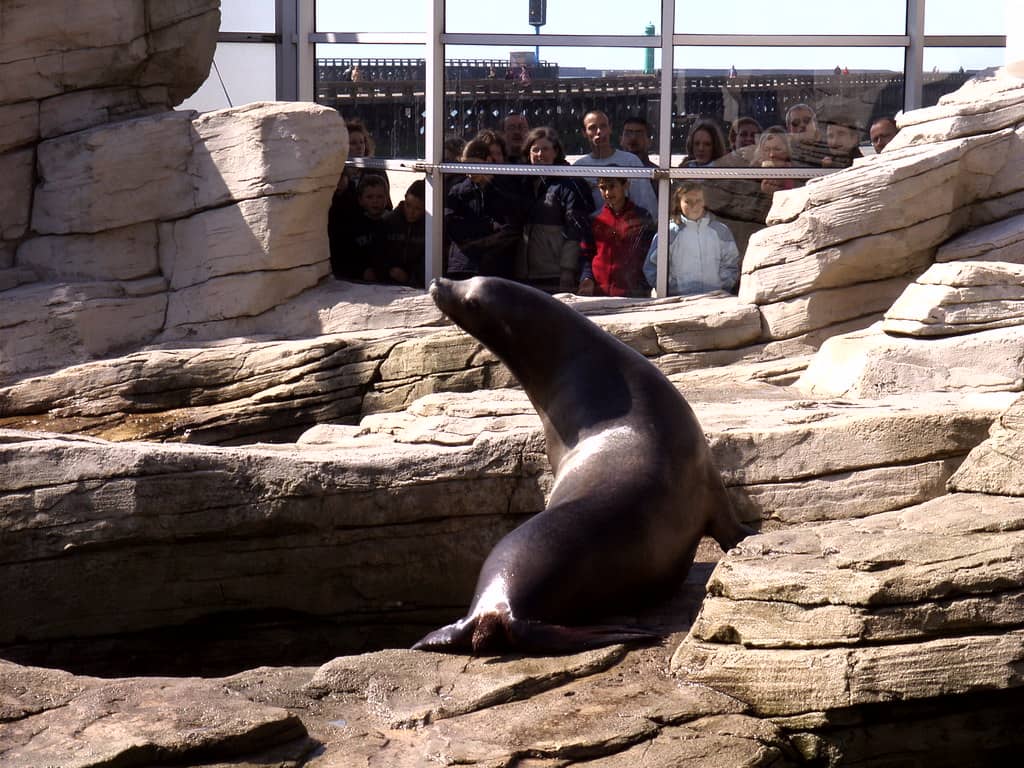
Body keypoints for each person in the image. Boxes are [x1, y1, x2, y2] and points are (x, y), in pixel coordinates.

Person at [519, 127, 594, 292]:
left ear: (556, 152)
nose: (540, 154)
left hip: (555, 274)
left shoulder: (570, 183)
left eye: (545, 149)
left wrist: (568, 270)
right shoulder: (526, 183)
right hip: (528, 274)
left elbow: (576, 230)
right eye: (535, 150)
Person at [444, 138, 524, 280]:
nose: (470, 172)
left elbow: (511, 229)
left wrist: (475, 232)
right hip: (463, 265)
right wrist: (489, 225)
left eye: (474, 165)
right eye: (465, 167)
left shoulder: (505, 191)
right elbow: (451, 226)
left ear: (488, 160)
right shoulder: (458, 191)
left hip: (496, 265)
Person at [644, 181, 740, 297]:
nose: (693, 205)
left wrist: (721, 286)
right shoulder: (669, 232)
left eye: (698, 200)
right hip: (679, 301)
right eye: (688, 201)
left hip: (715, 299)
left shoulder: (720, 231)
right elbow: (652, 267)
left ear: (704, 202)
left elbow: (732, 263)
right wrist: (672, 288)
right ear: (679, 203)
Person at [578, 174, 655, 298]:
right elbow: (587, 254)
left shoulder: (641, 217)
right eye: (603, 188)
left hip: (632, 292)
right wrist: (587, 278)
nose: (608, 192)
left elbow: (648, 254)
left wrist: (644, 286)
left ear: (625, 185)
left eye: (612, 186)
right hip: (599, 293)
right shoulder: (595, 219)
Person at [572, 110, 658, 218]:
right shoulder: (578, 167)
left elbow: (646, 203)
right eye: (592, 128)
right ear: (584, 132)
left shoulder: (630, 161)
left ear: (610, 128)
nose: (599, 131)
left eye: (603, 126)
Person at [329, 174, 389, 281]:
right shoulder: (353, 225)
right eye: (369, 197)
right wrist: (361, 271)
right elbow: (345, 256)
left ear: (387, 198)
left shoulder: (392, 222)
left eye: (380, 196)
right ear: (360, 200)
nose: (375, 201)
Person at [379, 179, 426, 287]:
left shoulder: (430, 228)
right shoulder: (389, 222)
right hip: (386, 282)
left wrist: (410, 278)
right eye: (408, 205)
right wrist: (388, 270)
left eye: (417, 208)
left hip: (416, 284)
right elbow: (378, 253)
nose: (411, 212)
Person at [619, 116, 659, 201]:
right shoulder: (613, 171)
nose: (633, 138)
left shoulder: (657, 175)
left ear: (649, 141)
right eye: (628, 133)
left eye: (639, 133)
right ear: (621, 140)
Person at [754, 127, 800, 198]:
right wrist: (765, 194)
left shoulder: (799, 173)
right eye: (767, 150)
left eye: (777, 149)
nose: (771, 155)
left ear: (787, 151)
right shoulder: (752, 175)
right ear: (761, 152)